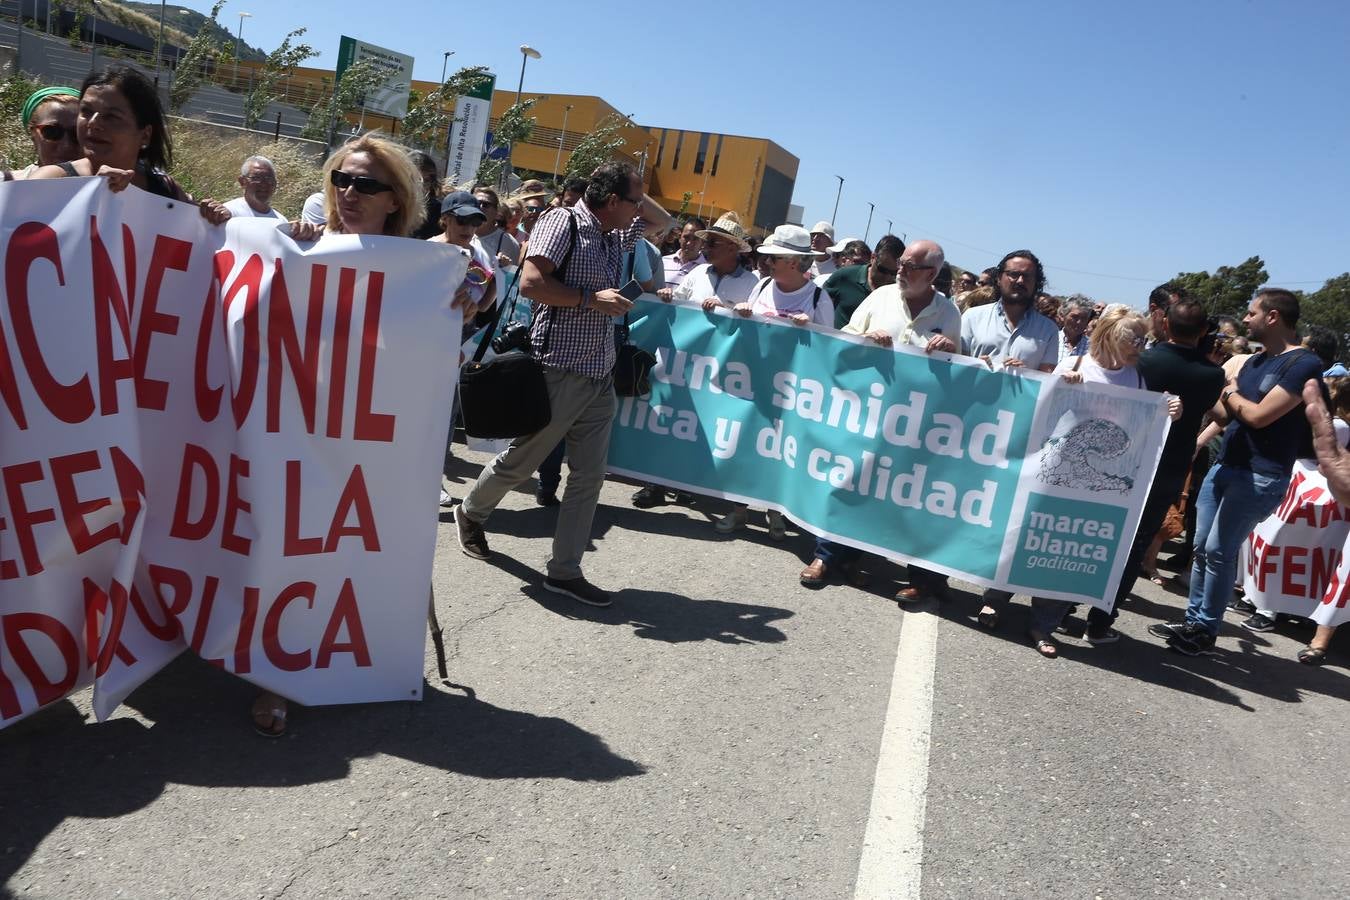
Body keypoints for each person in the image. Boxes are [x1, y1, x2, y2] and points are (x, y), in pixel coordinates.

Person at [454, 162, 671, 608]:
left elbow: (662, 220)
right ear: (612, 202)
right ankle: (471, 512)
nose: (639, 209)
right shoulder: (564, 220)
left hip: (599, 373)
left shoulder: (616, 232)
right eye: (633, 200)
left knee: (589, 478)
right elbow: (532, 283)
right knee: (521, 463)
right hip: (559, 369)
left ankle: (564, 572)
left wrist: (633, 181)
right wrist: (592, 300)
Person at [1149, 289, 1326, 655]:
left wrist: (1227, 390)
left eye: (1251, 313)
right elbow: (1229, 416)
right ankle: (1193, 621)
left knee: (1218, 551)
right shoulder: (1255, 362)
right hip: (1226, 465)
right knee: (1201, 547)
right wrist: (1199, 388)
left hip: (1261, 475)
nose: (1245, 320)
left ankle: (1204, 630)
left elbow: (1259, 417)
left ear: (1273, 317)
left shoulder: (1303, 365)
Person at [799, 240, 959, 590]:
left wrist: (949, 349)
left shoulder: (948, 313)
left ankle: (873, 563)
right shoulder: (881, 297)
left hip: (911, 424)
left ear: (930, 274)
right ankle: (825, 556)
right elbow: (844, 340)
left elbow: (958, 374)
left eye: (909, 266)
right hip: (865, 412)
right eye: (900, 263)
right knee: (848, 478)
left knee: (899, 492)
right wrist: (866, 337)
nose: (900, 269)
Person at [713, 224, 834, 539]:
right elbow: (746, 326)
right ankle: (738, 510)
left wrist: (813, 329)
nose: (766, 262)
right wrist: (739, 312)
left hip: (794, 392)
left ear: (793, 262)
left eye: (774, 258)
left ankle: (775, 511)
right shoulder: (763, 285)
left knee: (781, 453)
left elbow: (829, 350)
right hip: (754, 384)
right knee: (745, 447)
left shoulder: (819, 297)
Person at [961, 251, 1061, 628]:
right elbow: (951, 366)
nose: (1020, 282)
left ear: (1037, 284)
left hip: (1020, 439)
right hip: (969, 430)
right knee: (953, 505)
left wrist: (1033, 376)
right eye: (1013, 275)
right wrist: (980, 366)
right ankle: (929, 580)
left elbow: (1052, 380)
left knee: (1005, 519)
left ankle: (994, 596)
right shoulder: (973, 318)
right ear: (999, 277)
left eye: (1028, 277)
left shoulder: (1048, 331)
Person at [30, 67, 228, 225]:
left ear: (145, 135)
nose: (93, 123)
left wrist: (217, 220)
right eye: (87, 111)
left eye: (112, 117)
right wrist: (90, 195)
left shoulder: (166, 191)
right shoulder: (48, 181)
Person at [822, 235, 903, 329]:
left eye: (893, 273)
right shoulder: (844, 276)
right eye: (882, 270)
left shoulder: (898, 292)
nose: (888, 277)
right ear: (873, 257)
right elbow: (818, 308)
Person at [4, 86, 81, 179]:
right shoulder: (7, 184)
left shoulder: (101, 186)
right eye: (51, 132)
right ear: (33, 136)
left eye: (76, 133)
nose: (66, 145)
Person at [223, 155, 286, 219]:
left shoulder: (280, 220)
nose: (264, 184)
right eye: (257, 178)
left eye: (269, 179)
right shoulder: (227, 214)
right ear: (242, 181)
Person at [472, 186, 521, 268]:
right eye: (476, 203)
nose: (480, 207)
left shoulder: (508, 242)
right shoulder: (459, 233)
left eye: (485, 205)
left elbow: (510, 278)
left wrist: (506, 267)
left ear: (496, 211)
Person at [662, 218, 706, 289]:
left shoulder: (707, 270)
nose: (689, 243)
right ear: (680, 238)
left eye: (695, 239)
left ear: (702, 243)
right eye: (686, 237)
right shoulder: (663, 261)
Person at [409, 151, 443, 240]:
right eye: (417, 179)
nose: (421, 185)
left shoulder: (439, 212)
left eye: (427, 180)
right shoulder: (391, 205)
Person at [1057, 295, 1093, 362]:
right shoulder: (1052, 340)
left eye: (1084, 318)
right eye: (1075, 317)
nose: (1079, 322)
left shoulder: (1092, 347)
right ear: (1063, 316)